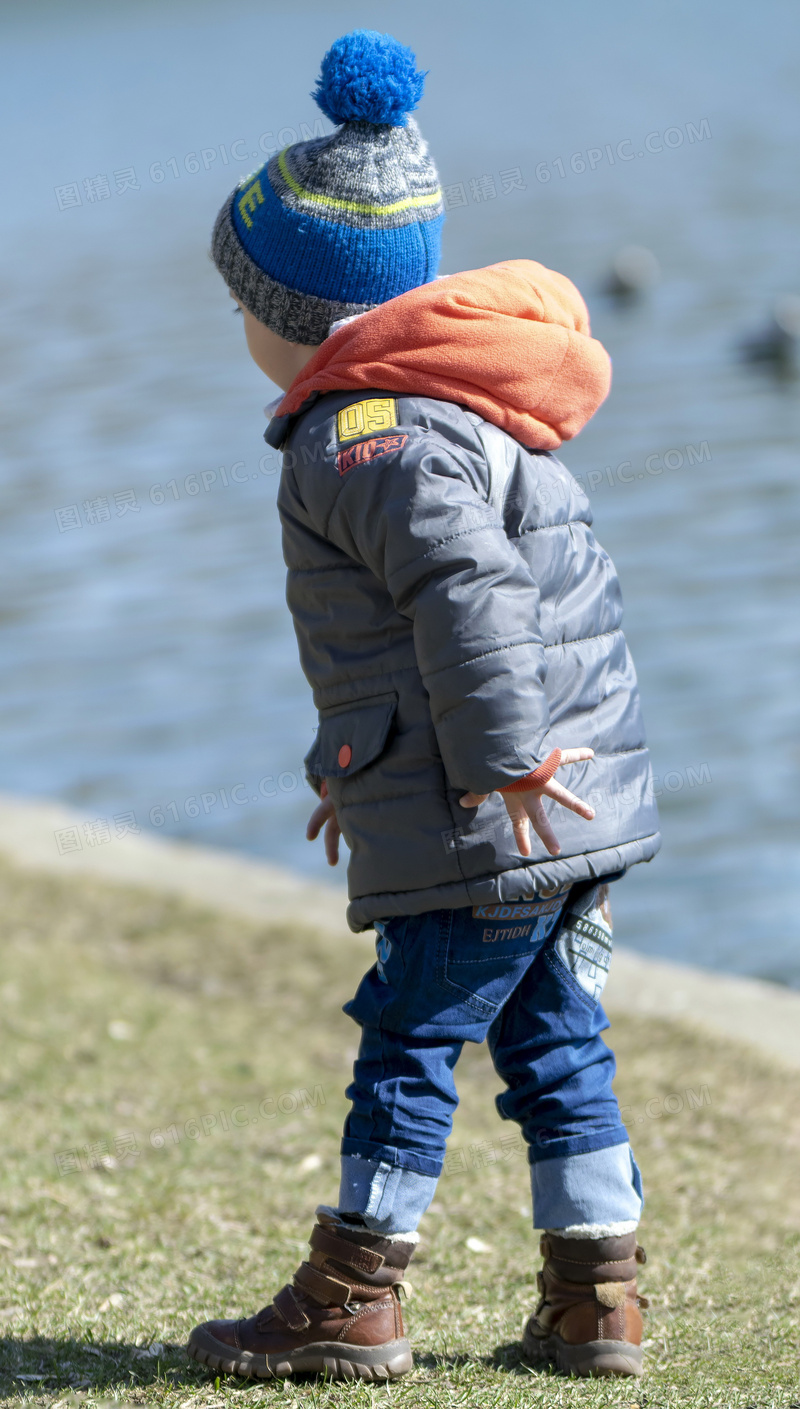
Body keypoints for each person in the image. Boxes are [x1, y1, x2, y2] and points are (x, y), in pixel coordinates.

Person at [188, 28, 659, 1383]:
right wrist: (350, 767)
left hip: (496, 810)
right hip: (559, 810)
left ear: (304, 315)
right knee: (556, 1042)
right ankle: (598, 1298)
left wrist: (502, 761)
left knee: (405, 1036)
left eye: (245, 303)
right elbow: (387, 642)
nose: (239, 332)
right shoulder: (448, 412)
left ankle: (357, 1289)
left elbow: (464, 595)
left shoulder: (364, 435)